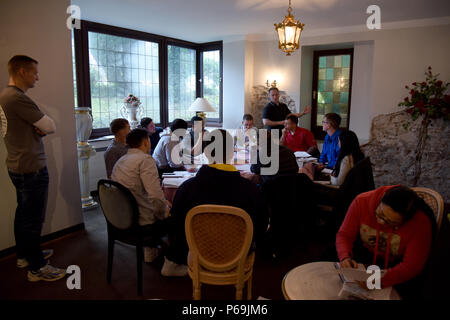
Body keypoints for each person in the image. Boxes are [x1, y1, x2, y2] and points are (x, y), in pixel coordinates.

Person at [161, 129, 269, 276]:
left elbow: (176, 225)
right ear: (232, 153)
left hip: (198, 252)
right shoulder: (250, 190)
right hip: (237, 253)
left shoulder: (187, 188)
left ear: (205, 152)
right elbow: (261, 225)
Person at [0, 55, 66, 281]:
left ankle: (26, 255)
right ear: (21, 72)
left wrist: (39, 127)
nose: (37, 76)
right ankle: (37, 267)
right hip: (30, 168)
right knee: (33, 218)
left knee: (23, 214)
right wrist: (41, 127)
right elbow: (49, 125)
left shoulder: (5, 97)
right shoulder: (16, 98)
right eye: (34, 72)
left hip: (17, 165)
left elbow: (41, 127)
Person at [336, 185, 436, 299]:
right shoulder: (362, 201)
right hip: (363, 259)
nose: (381, 222)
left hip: (395, 268)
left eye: (390, 222)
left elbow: (412, 266)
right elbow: (345, 235)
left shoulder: (421, 223)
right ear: (381, 198)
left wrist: (381, 279)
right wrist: (345, 257)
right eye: (380, 214)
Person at [111, 128, 171, 262]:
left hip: (120, 217)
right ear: (145, 142)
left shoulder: (121, 160)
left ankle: (151, 248)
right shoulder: (145, 160)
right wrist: (165, 210)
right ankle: (172, 259)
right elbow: (155, 195)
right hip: (140, 220)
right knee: (177, 214)